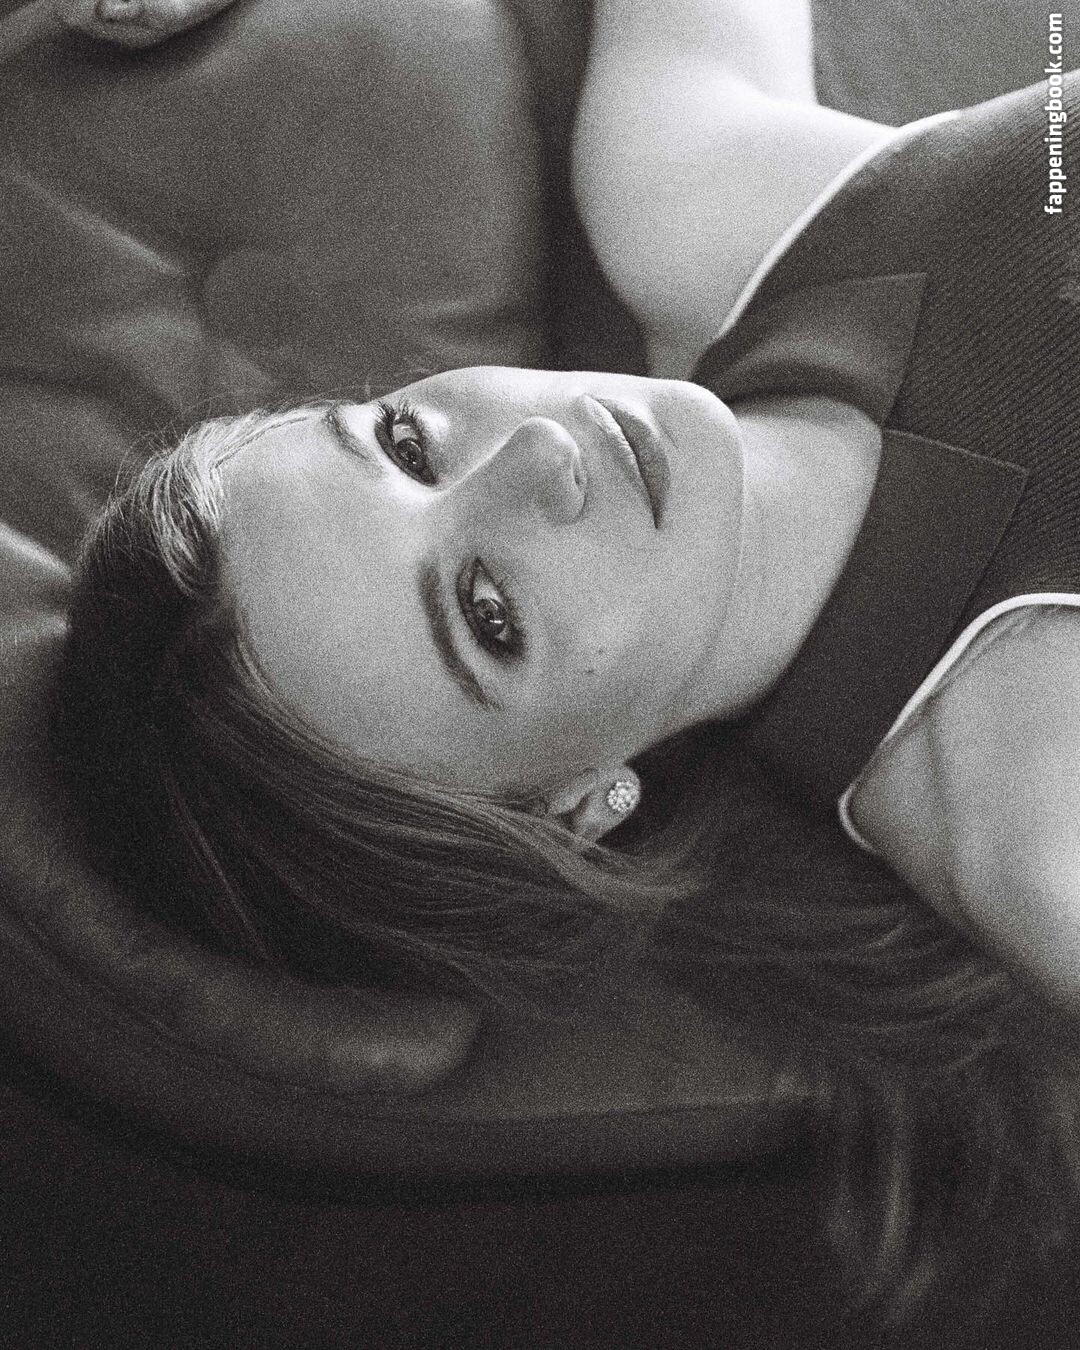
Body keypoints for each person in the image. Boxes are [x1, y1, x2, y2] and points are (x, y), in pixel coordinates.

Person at [43, 0, 1080, 1320]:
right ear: (581, 804)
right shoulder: (1040, 830)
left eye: (405, 444)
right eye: (488, 613)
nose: (537, 451)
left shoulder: (679, 203)